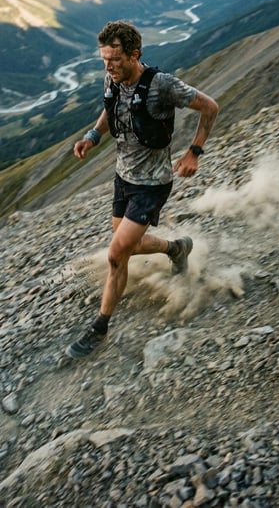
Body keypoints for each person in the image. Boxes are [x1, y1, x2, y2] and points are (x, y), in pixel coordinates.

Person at [65, 20, 219, 359]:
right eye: (104, 59)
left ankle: (100, 327)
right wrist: (92, 137)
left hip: (151, 185)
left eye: (115, 60)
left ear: (136, 55)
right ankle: (176, 248)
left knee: (116, 254)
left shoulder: (162, 85)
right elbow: (111, 110)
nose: (108, 67)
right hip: (122, 179)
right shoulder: (113, 78)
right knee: (128, 245)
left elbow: (210, 106)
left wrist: (194, 151)